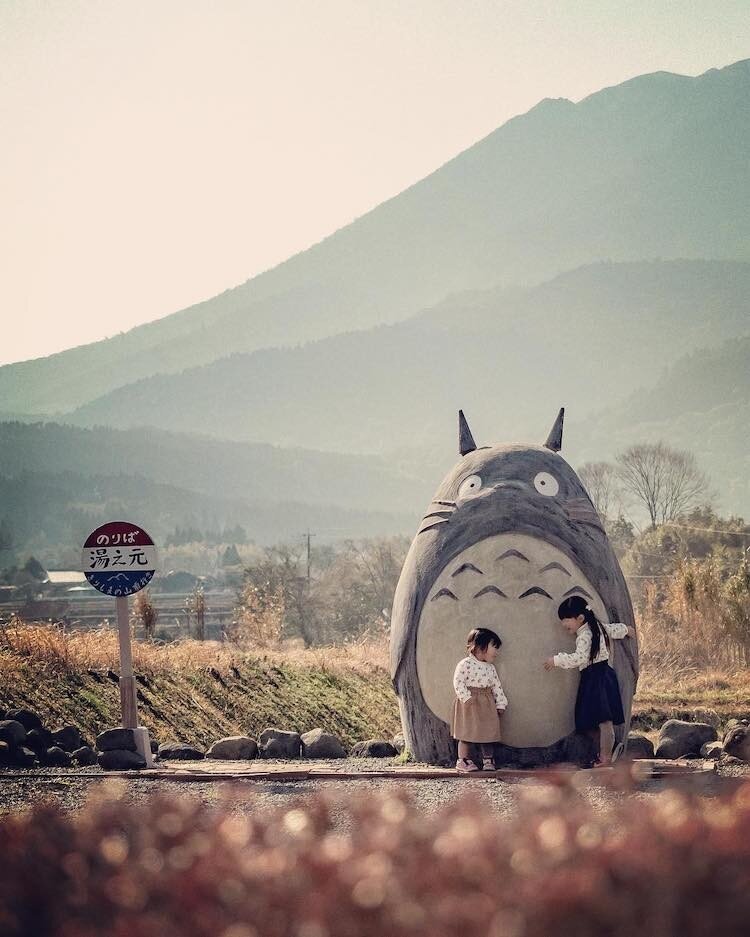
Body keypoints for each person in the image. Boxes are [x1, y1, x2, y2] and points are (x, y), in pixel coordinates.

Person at [543, 595, 635, 766]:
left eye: (566, 620)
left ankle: (606, 757)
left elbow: (579, 658)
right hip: (603, 675)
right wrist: (627, 630)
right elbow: (614, 629)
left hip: (595, 678)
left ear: (580, 618)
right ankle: (608, 751)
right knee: (599, 719)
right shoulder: (599, 627)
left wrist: (556, 660)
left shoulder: (585, 635)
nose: (564, 625)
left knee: (603, 720)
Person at [452, 627, 507, 773]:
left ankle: (488, 759)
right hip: (469, 703)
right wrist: (466, 697)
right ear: (481, 647)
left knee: (487, 732)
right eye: (494, 647)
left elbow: (496, 686)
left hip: (486, 703)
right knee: (466, 732)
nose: (496, 651)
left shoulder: (490, 668)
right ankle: (463, 760)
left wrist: (501, 703)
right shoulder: (465, 664)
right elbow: (458, 682)